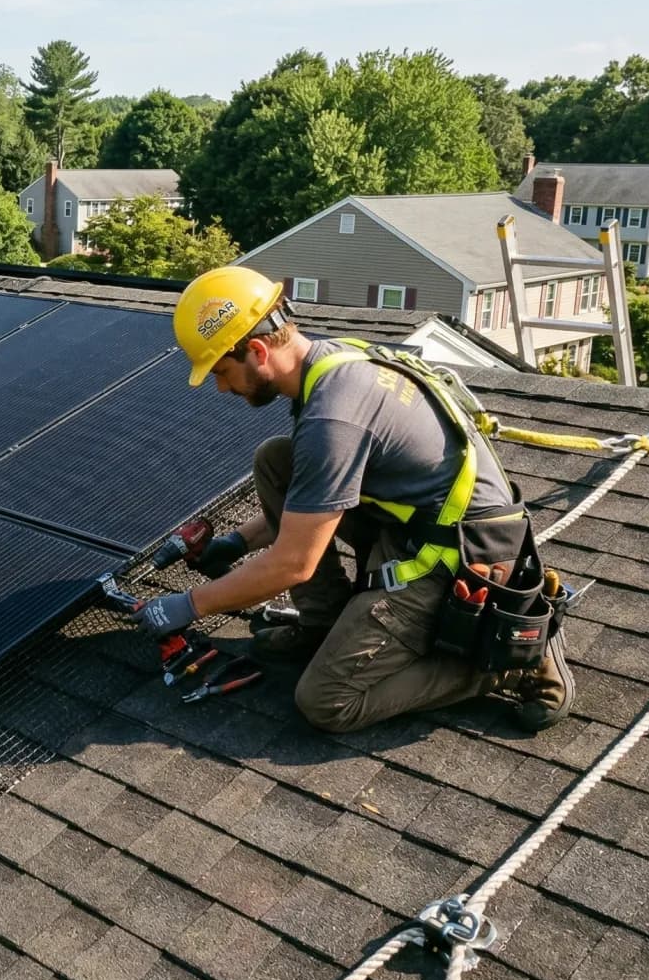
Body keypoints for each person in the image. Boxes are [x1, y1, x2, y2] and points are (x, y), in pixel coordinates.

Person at [128, 266, 573, 733]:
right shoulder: (335, 361)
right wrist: (236, 543)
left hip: (459, 557)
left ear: (257, 350)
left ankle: (512, 663)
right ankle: (323, 624)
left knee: (327, 701)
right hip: (417, 523)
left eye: (222, 371)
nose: (222, 387)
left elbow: (293, 563)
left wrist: (189, 605)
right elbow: (316, 498)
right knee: (277, 461)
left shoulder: (333, 417)